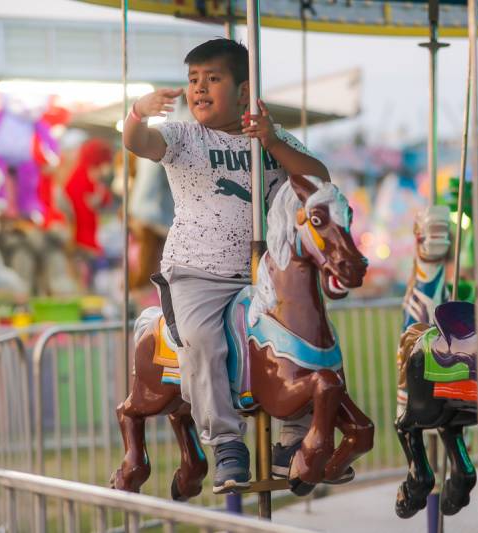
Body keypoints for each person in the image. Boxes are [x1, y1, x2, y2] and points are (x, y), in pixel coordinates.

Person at [123, 38, 329, 493]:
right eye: (193, 79)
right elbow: (138, 142)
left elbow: (318, 178)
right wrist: (137, 112)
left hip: (261, 274)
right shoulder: (183, 136)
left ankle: (292, 436)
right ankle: (224, 441)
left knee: (299, 334)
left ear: (243, 90)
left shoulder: (270, 139)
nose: (199, 88)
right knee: (201, 343)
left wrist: (273, 141)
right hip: (196, 273)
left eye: (212, 79)